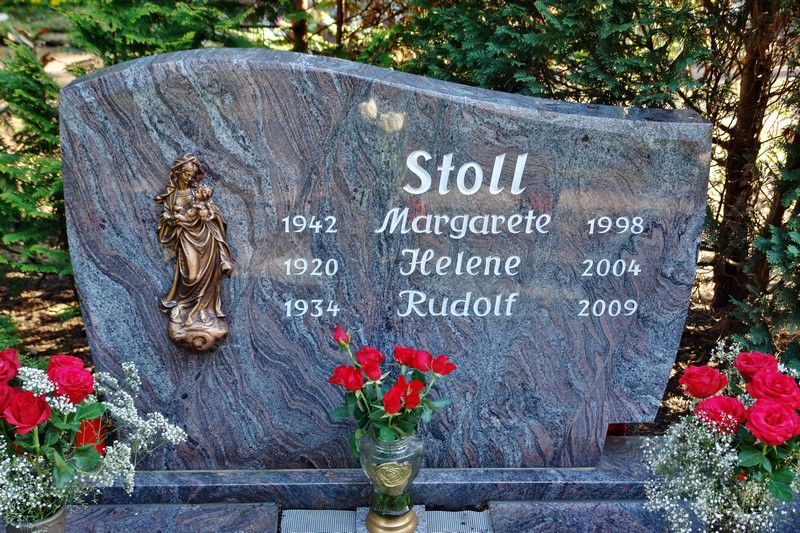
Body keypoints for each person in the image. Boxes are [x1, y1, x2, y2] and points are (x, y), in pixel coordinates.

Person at [154, 153, 232, 350]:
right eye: (187, 174)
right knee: (191, 275)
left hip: (205, 238)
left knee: (207, 277)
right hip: (186, 239)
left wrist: (206, 212)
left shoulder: (197, 192)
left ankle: (203, 311)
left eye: (192, 174)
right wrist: (171, 220)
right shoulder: (172, 196)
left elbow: (213, 213)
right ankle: (184, 307)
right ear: (178, 172)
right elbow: (165, 218)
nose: (190, 177)